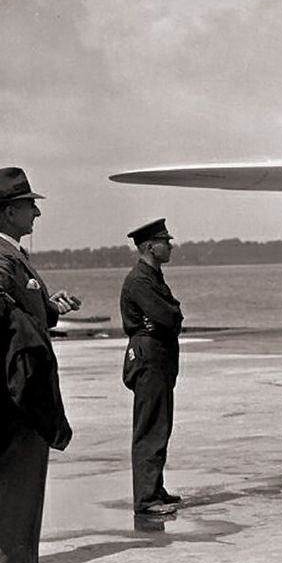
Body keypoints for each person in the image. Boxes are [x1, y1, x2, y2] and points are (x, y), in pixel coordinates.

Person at [0, 167, 78, 563]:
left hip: (22, 393)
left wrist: (49, 306)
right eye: (30, 204)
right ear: (8, 211)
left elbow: (21, 309)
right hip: (16, 398)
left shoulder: (14, 256)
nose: (37, 211)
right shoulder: (0, 256)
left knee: (21, 499)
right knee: (16, 499)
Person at [120, 219, 185, 515]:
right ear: (149, 246)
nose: (170, 245)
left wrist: (171, 315)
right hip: (149, 356)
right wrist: (171, 315)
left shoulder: (152, 277)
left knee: (161, 425)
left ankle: (154, 488)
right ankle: (146, 499)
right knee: (150, 428)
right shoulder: (140, 281)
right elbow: (168, 316)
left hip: (159, 355)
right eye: (164, 241)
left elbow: (169, 315)